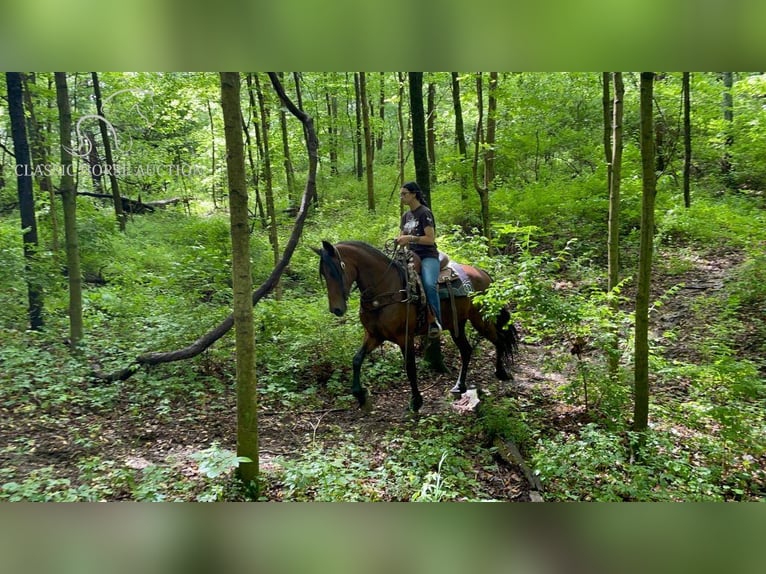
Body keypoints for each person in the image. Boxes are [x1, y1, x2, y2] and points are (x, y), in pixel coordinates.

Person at [396, 181, 442, 338]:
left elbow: (430, 239)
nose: (402, 197)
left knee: (429, 284)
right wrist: (400, 243)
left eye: (404, 194)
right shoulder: (405, 216)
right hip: (410, 256)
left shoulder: (425, 213)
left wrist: (409, 238)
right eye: (401, 194)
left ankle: (435, 321)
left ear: (414, 194)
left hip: (427, 255)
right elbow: (402, 237)